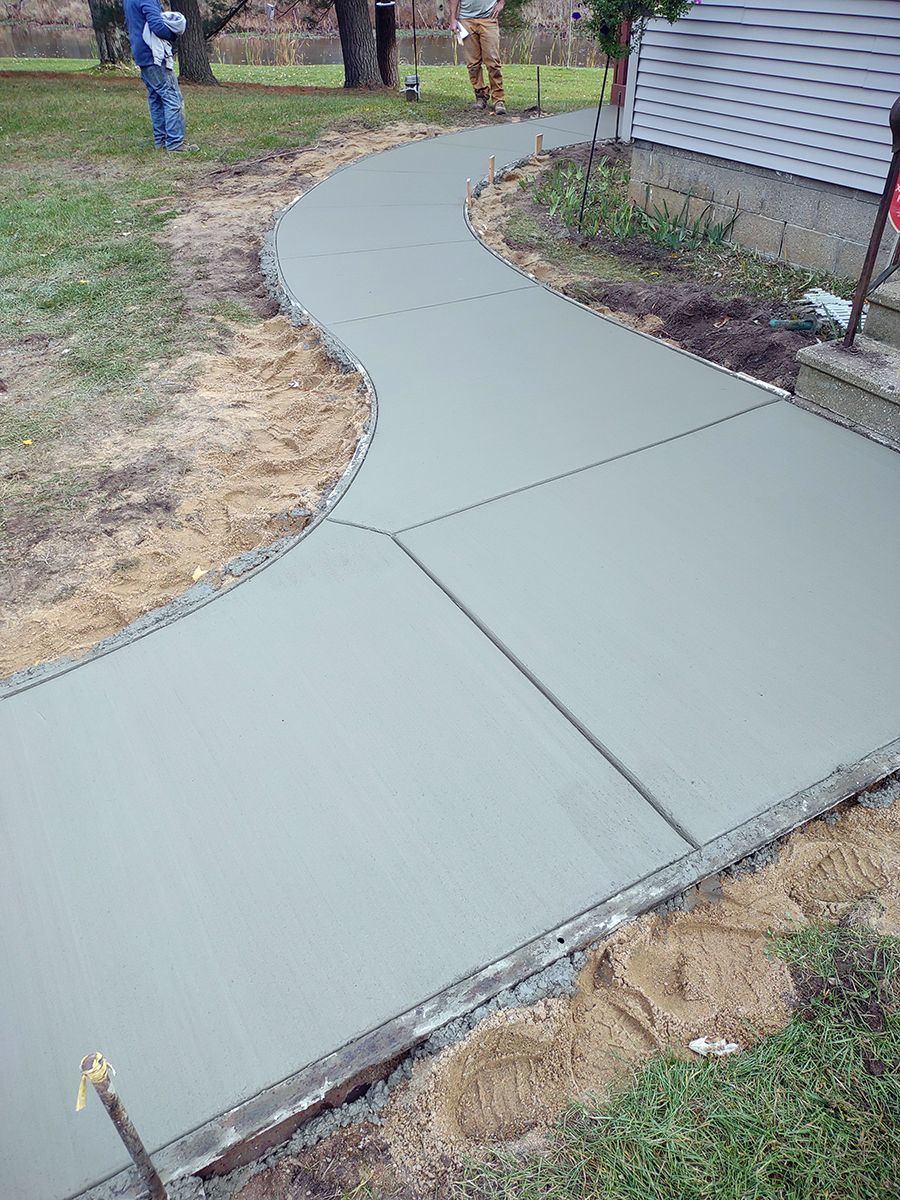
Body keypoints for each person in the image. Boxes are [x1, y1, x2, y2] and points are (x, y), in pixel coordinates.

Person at [123, 0, 198, 152]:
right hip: (154, 55)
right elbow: (157, 26)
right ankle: (175, 144)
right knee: (172, 98)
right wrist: (173, 33)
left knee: (156, 98)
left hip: (142, 54)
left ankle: (161, 142)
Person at [448, 0, 506, 116]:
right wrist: (453, 19)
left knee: (493, 62)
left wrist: (501, 3)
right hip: (466, 20)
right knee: (473, 64)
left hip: (489, 19)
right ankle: (481, 96)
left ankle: (498, 99)